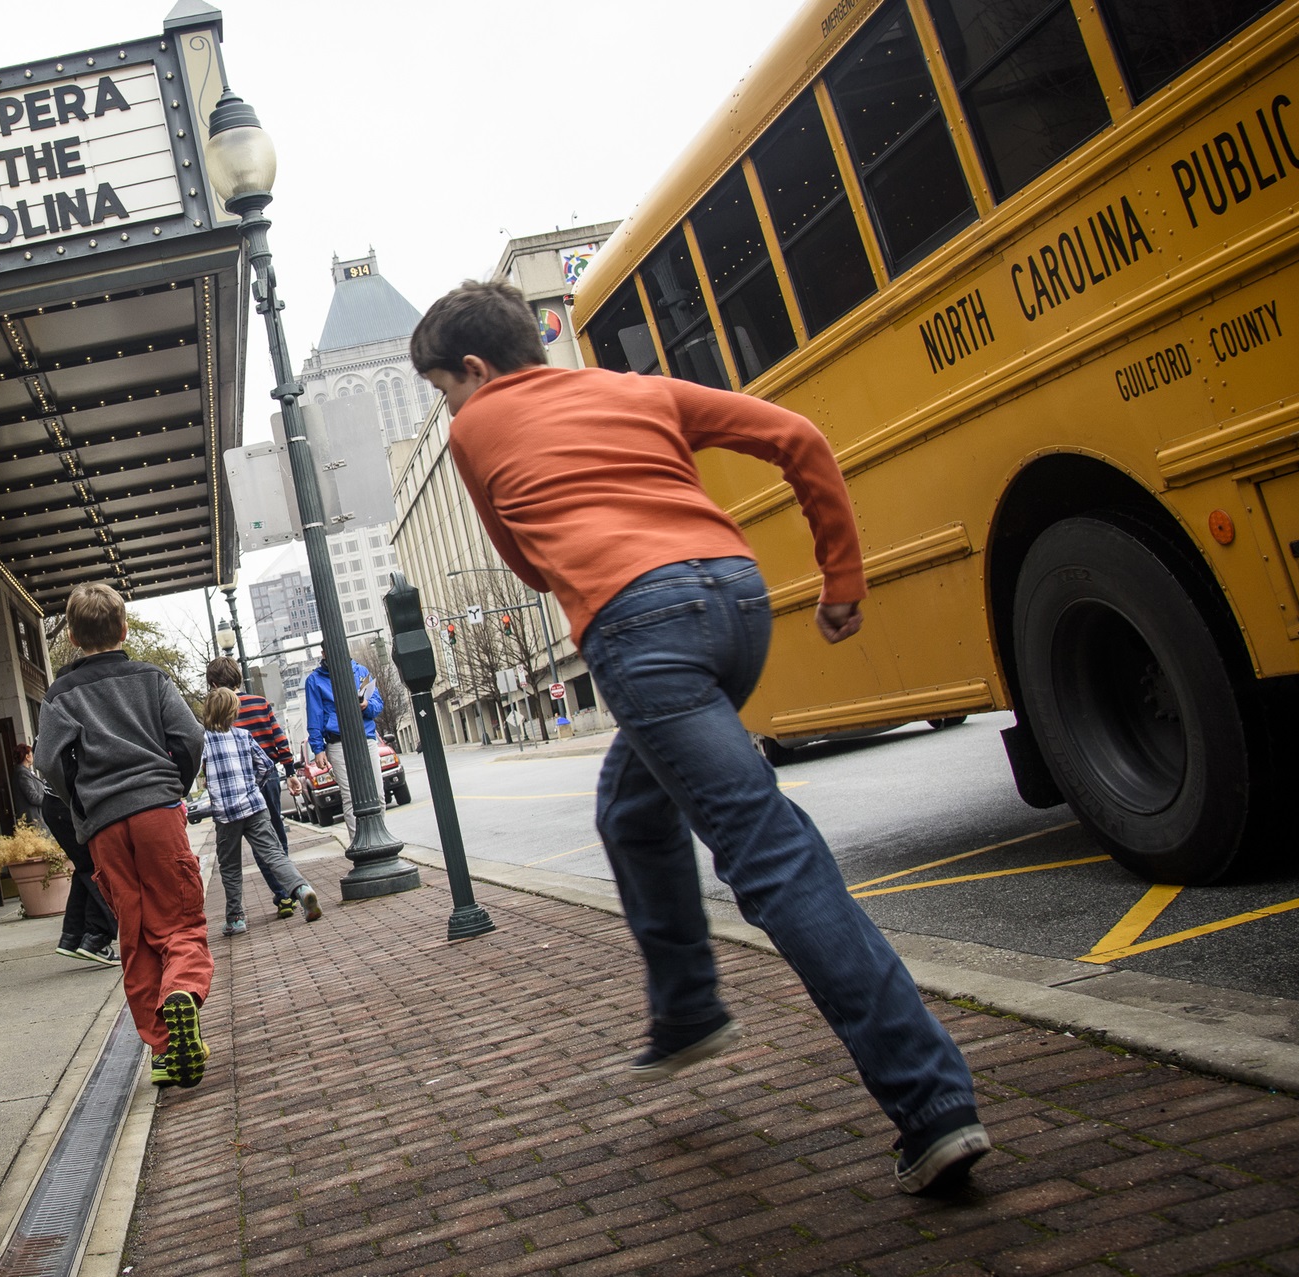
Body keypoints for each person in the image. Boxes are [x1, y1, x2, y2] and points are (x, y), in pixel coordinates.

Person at [410, 280, 988, 1195]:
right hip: (736, 598)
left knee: (769, 856)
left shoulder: (475, 429)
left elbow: (523, 562)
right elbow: (796, 437)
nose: (449, 405)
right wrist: (840, 574)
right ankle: (685, 1009)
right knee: (630, 810)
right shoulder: (637, 390)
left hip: (640, 631)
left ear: (474, 370)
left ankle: (932, 1104)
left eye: (445, 387)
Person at [34, 584, 211, 1089]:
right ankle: (182, 989)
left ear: (70, 636)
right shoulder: (151, 679)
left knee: (133, 935)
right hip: (156, 811)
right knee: (179, 919)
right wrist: (173, 783)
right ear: (125, 628)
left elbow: (49, 761)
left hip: (104, 826)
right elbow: (190, 737)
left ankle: (161, 1049)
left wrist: (81, 802)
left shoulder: (60, 695)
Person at [199, 687, 323, 933]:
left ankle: (235, 919)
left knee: (230, 866)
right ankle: (302, 889)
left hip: (226, 815)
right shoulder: (244, 736)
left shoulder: (203, 741)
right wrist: (252, 786)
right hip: (254, 807)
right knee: (274, 854)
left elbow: (196, 768)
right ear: (234, 712)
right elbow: (266, 766)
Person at [204, 657, 300, 917]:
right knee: (275, 837)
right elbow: (279, 739)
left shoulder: (220, 711)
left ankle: (283, 897)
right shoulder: (260, 703)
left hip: (238, 786)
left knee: (260, 845)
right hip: (267, 779)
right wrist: (290, 771)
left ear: (213, 684)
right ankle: (293, 888)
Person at [12, 743, 119, 967]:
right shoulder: (65, 711)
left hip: (61, 805)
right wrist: (71, 795)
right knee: (96, 867)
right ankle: (95, 938)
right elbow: (46, 758)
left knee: (85, 867)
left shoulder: (65, 712)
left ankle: (73, 937)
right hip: (64, 805)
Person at [303, 657, 382, 843]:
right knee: (350, 798)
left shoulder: (361, 671)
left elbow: (378, 705)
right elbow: (314, 716)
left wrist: (366, 706)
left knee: (378, 794)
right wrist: (318, 749)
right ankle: (360, 845)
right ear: (323, 652)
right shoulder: (314, 680)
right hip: (337, 742)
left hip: (365, 737)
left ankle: (379, 839)